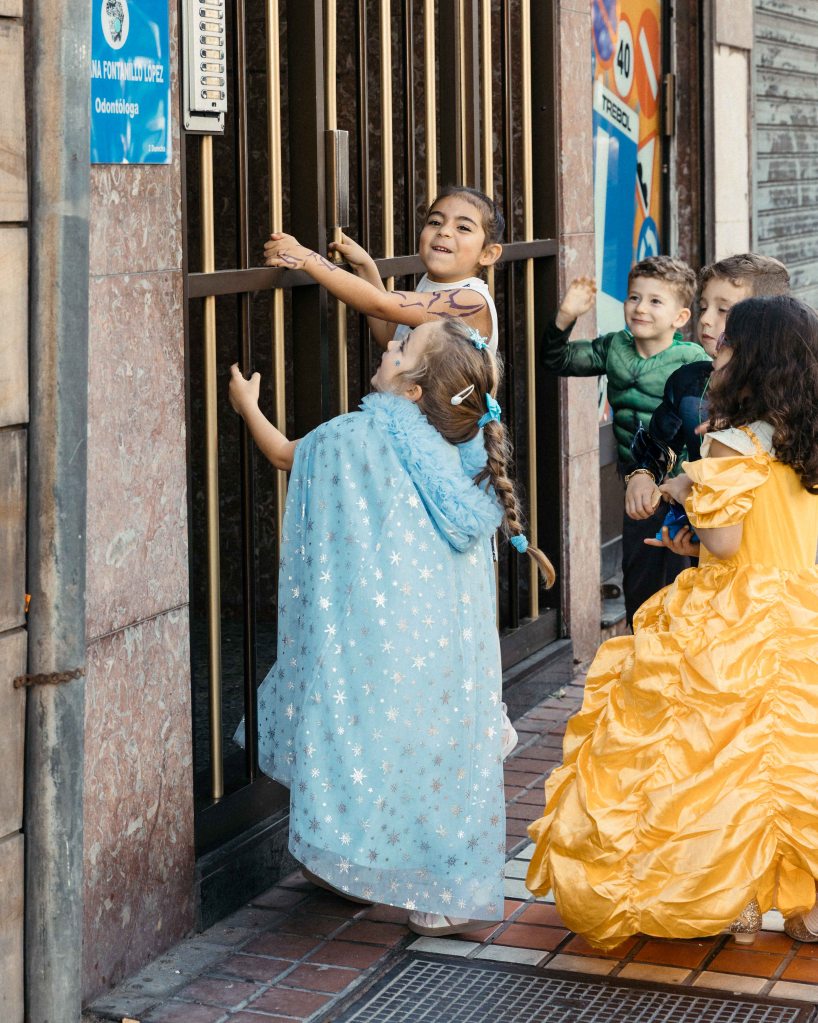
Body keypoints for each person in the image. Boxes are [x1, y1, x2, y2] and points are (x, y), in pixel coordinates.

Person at [229, 318, 554, 937]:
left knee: (354, 740)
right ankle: (446, 891)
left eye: (403, 347)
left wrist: (248, 406)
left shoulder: (359, 433)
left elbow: (284, 454)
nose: (388, 344)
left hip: (372, 633)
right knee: (438, 753)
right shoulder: (466, 451)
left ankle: (346, 860)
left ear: (411, 391)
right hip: (445, 645)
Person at [526, 294, 818, 949]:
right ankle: (807, 906)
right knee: (798, 757)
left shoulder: (731, 442)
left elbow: (723, 542)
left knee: (717, 757)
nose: (720, 351)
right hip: (804, 607)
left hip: (735, 613)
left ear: (754, 361)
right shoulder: (809, 438)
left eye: (732, 344)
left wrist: (688, 503)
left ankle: (733, 895)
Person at [540, 255, 709, 626]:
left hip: (683, 489)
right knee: (641, 583)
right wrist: (565, 317)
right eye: (634, 297)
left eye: (654, 301)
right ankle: (641, 659)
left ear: (680, 317)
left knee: (686, 583)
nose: (640, 308)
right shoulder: (615, 347)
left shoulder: (692, 360)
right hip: (637, 484)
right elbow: (556, 360)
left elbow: (703, 430)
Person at [626, 253, 791, 532]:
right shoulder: (688, 382)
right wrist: (643, 474)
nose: (705, 319)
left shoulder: (791, 391)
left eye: (723, 310)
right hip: (707, 536)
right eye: (703, 307)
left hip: (768, 547)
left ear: (766, 323)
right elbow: (660, 443)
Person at [262, 185, 503, 353]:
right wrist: (365, 267)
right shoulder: (431, 284)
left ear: (487, 254)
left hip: (441, 428)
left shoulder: (470, 301)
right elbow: (390, 336)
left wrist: (309, 260)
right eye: (435, 222)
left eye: (463, 228)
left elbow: (381, 304)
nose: (444, 231)